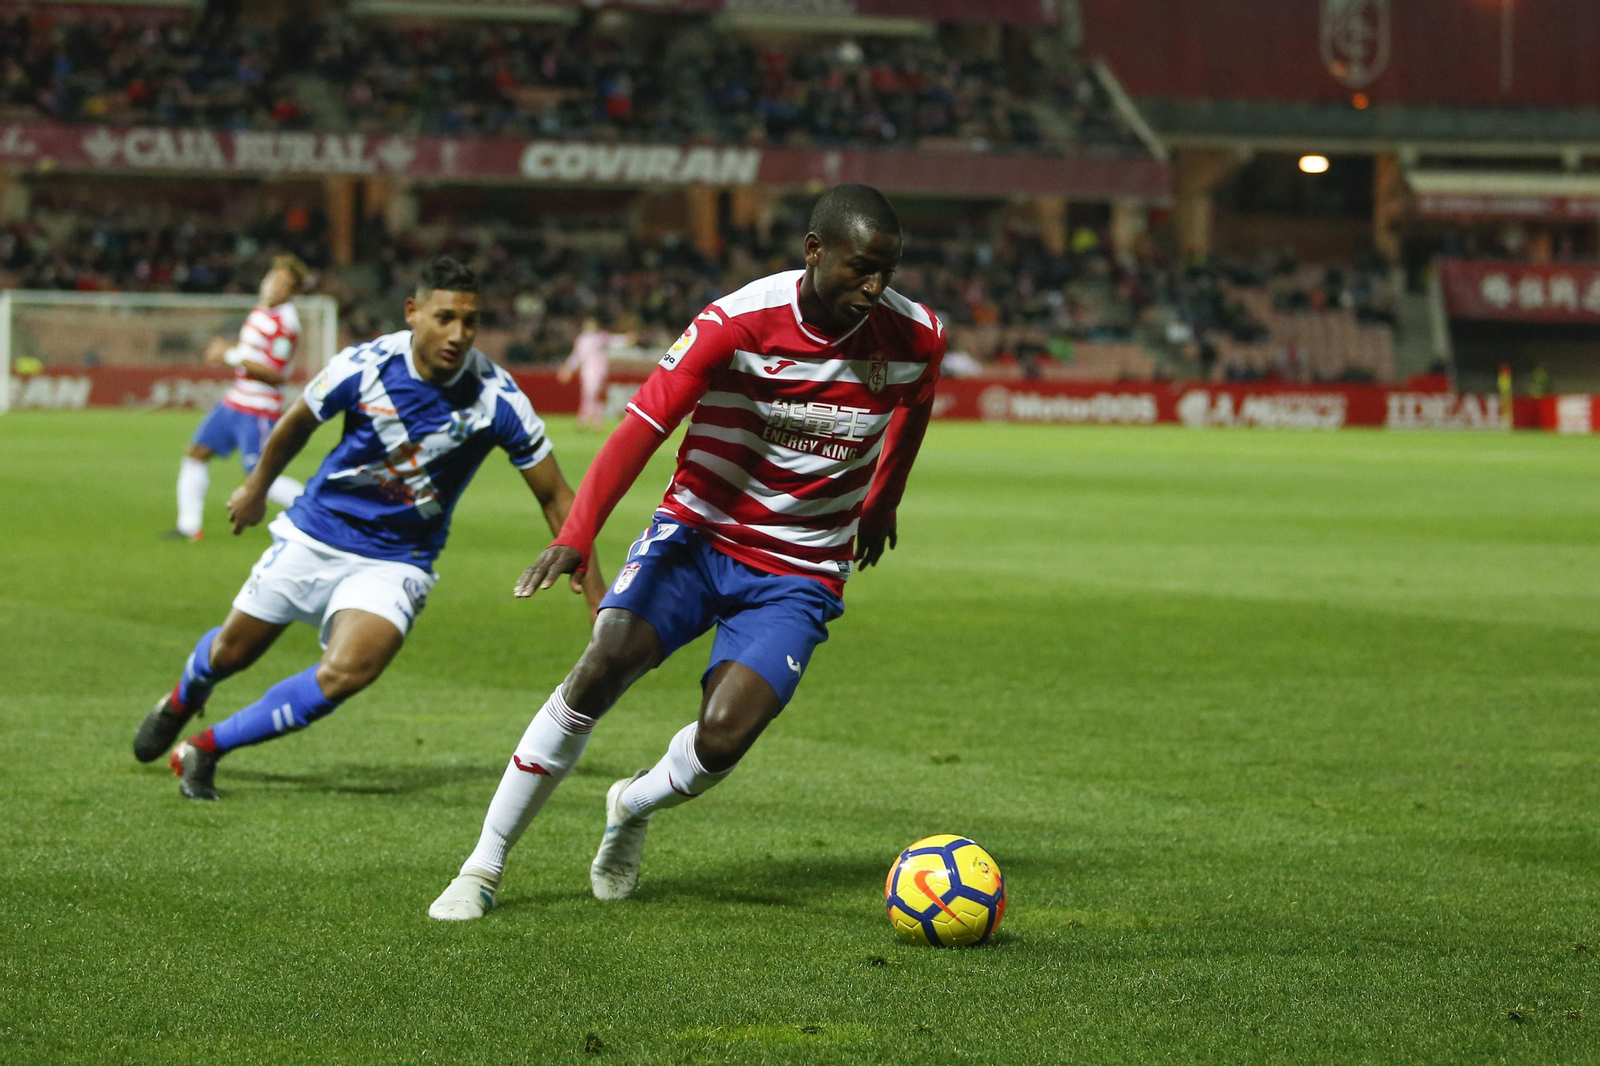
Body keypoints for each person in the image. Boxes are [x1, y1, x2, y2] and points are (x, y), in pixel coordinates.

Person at [428, 184, 944, 920]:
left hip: (799, 567)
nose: (876, 286)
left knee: (725, 738)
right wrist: (576, 535)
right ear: (814, 251)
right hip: (698, 536)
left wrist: (883, 501)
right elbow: (640, 429)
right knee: (602, 664)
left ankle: (631, 805)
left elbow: (915, 408)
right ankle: (482, 866)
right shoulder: (734, 324)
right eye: (862, 268)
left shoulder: (915, 335)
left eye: (888, 270)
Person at [134, 257, 605, 799]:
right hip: (316, 533)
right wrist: (256, 489)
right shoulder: (363, 365)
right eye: (445, 317)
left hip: (398, 558)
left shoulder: (496, 398)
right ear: (413, 313)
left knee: (348, 671)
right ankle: (182, 698)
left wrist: (599, 601)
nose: (458, 334)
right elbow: (296, 423)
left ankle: (205, 748)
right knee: (230, 655)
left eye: (470, 322)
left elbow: (556, 495)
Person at [169, 255, 312, 542]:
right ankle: (188, 527)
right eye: (273, 278)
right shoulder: (262, 311)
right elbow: (254, 355)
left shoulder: (286, 324)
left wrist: (229, 355)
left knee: (259, 476)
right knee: (196, 453)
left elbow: (275, 374)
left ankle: (318, 511)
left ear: (291, 292)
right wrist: (231, 351)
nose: (274, 286)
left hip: (258, 409)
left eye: (283, 284)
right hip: (235, 401)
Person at [557, 316, 630, 430]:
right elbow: (577, 356)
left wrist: (626, 339)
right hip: (587, 371)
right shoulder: (582, 340)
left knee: (591, 395)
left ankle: (586, 421)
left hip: (599, 370)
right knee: (590, 395)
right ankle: (593, 421)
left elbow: (614, 340)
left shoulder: (600, 337)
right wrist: (568, 368)